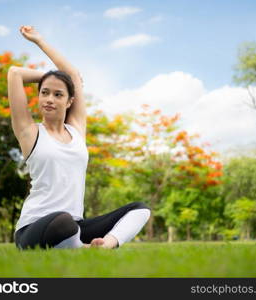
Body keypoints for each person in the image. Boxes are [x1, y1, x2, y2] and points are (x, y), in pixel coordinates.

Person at [8, 25, 151, 250]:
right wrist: (52, 77)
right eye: (44, 92)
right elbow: (15, 73)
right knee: (63, 222)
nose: (49, 99)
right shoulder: (29, 132)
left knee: (140, 209)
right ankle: (80, 247)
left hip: (76, 224)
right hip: (36, 227)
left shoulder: (76, 129)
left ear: (69, 101)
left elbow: (73, 74)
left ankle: (104, 247)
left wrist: (41, 41)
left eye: (58, 94)